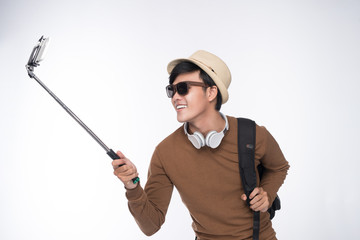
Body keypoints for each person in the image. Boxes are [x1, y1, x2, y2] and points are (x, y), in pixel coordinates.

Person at [112, 50, 290, 240]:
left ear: (211, 92)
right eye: (171, 90)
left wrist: (267, 194)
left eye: (183, 88)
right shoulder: (165, 152)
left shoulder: (252, 134)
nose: (175, 97)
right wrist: (133, 188)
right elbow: (151, 225)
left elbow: (279, 167)